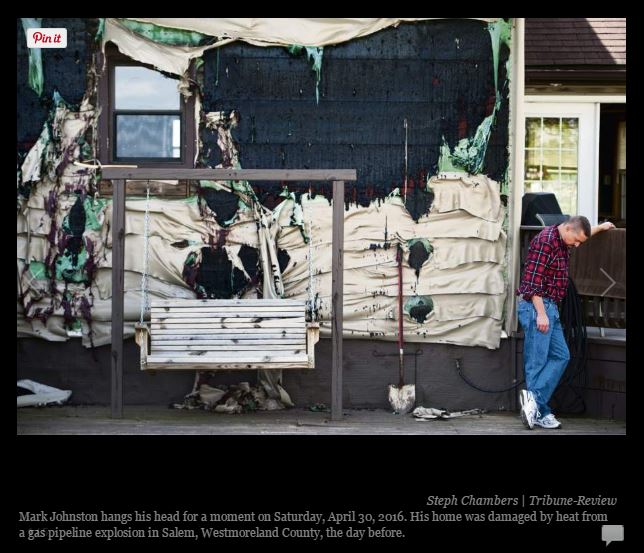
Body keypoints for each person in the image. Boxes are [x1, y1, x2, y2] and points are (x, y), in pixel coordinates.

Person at [516, 216, 615, 429]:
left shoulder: (565, 237)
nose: (577, 245)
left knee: (562, 355)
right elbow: (532, 283)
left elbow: (582, 231)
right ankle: (540, 411)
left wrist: (602, 227)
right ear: (567, 229)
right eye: (576, 240)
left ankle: (534, 403)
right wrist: (541, 314)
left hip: (551, 308)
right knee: (537, 362)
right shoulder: (545, 242)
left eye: (580, 241)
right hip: (537, 307)